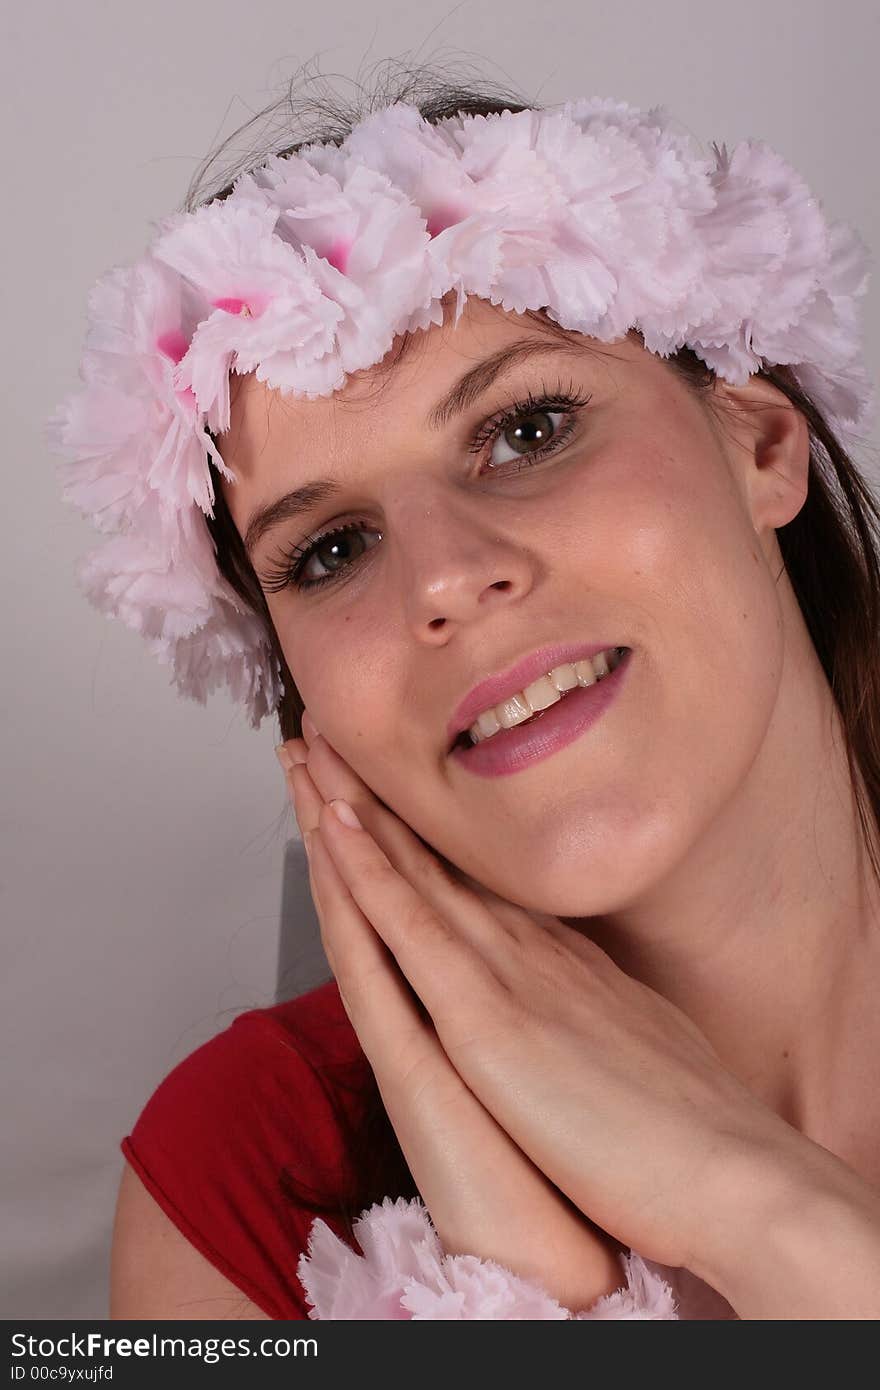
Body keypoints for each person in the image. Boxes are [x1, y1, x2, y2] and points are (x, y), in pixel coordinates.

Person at [48, 71, 880, 1320]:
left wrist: (754, 1205)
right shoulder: (244, 1180)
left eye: (528, 429)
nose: (439, 579)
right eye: (328, 550)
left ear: (763, 446)